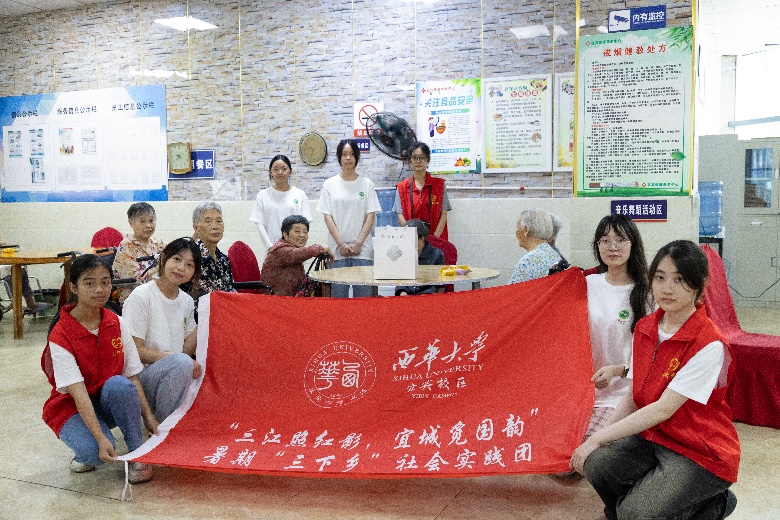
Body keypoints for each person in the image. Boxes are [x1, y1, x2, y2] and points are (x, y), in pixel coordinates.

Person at [571, 240, 740, 520]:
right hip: (655, 436)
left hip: (699, 450)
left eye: (679, 280)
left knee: (634, 513)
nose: (667, 288)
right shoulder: (646, 327)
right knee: (597, 464)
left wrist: (596, 437)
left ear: (699, 285)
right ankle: (629, 510)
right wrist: (597, 443)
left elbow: (662, 409)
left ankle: (717, 502)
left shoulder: (709, 343)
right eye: (660, 278)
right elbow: (632, 394)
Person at [41, 254, 157, 484]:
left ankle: (136, 454)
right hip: (71, 407)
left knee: (120, 384)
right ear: (73, 287)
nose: (99, 290)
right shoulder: (60, 335)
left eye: (105, 282)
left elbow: (132, 377)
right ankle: (85, 452)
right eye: (89, 283)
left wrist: (149, 417)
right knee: (96, 452)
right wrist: (100, 439)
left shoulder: (116, 322)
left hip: (105, 400)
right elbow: (79, 393)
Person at [121, 238, 201, 423]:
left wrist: (207, 319)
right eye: (177, 259)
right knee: (183, 363)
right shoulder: (142, 296)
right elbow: (134, 351)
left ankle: (174, 420)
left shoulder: (187, 301)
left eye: (189, 265)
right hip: (141, 380)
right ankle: (164, 426)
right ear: (163, 259)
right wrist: (176, 360)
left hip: (174, 373)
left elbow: (185, 351)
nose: (181, 268)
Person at [585, 215, 651, 440]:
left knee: (586, 447)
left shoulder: (647, 293)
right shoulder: (587, 284)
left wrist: (618, 370)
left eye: (621, 240)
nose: (612, 247)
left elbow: (655, 354)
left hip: (623, 395)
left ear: (633, 244)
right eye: (605, 240)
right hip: (584, 391)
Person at [316, 138, 382, 298]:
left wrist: (358, 243)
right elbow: (327, 217)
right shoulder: (330, 184)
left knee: (363, 300)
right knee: (339, 300)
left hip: (363, 251)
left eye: (352, 154)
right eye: (344, 154)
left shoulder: (367, 184)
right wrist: (341, 244)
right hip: (337, 251)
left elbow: (371, 216)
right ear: (339, 157)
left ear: (357, 157)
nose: (348, 158)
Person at [249, 155, 313, 251]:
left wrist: (298, 245)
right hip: (272, 250)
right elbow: (260, 224)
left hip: (295, 250)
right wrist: (270, 247)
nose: (280, 172)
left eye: (284, 169)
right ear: (270, 172)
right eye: (276, 169)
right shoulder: (262, 195)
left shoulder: (300, 194)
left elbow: (305, 223)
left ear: (290, 171)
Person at [260, 215, 334, 296]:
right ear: (285, 234)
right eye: (297, 231)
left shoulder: (293, 248)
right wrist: (323, 248)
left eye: (305, 232)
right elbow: (300, 253)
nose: (302, 235)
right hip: (273, 300)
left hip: (290, 299)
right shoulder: (279, 250)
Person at [393, 142, 452, 241]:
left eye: (422, 157)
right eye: (414, 157)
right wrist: (413, 238)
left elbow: (444, 214)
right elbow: (400, 215)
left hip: (436, 240)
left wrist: (433, 239)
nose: (418, 161)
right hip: (410, 239)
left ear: (428, 159)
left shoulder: (440, 185)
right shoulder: (401, 187)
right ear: (410, 160)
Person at [112, 202, 166, 304]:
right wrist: (158, 268)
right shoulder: (127, 245)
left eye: (151, 220)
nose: (148, 225)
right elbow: (135, 278)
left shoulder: (158, 243)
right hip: (135, 299)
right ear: (131, 223)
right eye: (142, 221)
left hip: (157, 295)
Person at [192, 202, 234, 295]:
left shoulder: (224, 259)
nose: (215, 227)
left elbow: (229, 290)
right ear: (196, 227)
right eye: (208, 222)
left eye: (219, 221)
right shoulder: (191, 258)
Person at [509, 209, 561, 284]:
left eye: (517, 227)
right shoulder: (553, 254)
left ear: (526, 230)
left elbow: (512, 290)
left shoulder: (527, 262)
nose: (516, 232)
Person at [395, 219, 445, 296]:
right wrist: (402, 292)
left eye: (411, 239)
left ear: (421, 239)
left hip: (427, 296)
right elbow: (400, 280)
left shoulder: (436, 254)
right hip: (406, 295)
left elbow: (441, 285)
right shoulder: (403, 254)